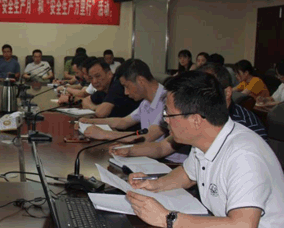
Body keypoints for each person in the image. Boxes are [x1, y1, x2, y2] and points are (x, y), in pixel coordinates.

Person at [126, 71, 284, 228]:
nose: (165, 120)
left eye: (169, 114)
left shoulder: (244, 155)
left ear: (196, 120)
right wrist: (154, 185)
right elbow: (187, 174)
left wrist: (167, 218)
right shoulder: (205, 142)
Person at [112, 63, 268, 160]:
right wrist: (127, 151)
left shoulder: (245, 129)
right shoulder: (199, 119)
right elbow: (161, 148)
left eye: (206, 91)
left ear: (227, 93)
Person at [80, 59, 171, 146]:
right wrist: (89, 121)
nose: (125, 92)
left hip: (161, 156)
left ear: (140, 81)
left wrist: (104, 134)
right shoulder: (146, 102)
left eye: (126, 86)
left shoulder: (167, 101)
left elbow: (147, 137)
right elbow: (123, 122)